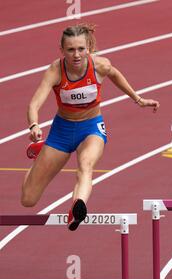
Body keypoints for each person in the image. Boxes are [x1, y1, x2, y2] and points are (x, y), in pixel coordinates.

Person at [22, 24, 160, 230]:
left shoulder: (100, 65)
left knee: (86, 165)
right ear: (62, 51)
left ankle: (77, 208)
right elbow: (34, 104)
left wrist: (137, 99)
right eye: (70, 50)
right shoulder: (55, 70)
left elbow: (115, 75)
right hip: (61, 131)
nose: (76, 55)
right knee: (28, 199)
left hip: (91, 128)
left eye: (81, 49)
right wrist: (34, 124)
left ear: (88, 48)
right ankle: (41, 152)